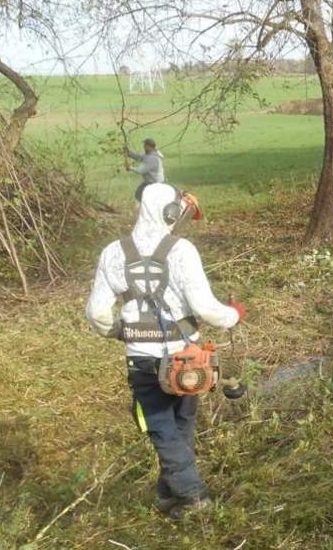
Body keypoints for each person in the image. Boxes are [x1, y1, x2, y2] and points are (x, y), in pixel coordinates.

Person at [85, 183, 245, 520]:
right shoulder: (182, 250)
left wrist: (119, 330)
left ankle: (170, 495)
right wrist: (233, 315)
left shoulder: (113, 253)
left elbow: (96, 313)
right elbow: (205, 307)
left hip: (141, 359)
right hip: (187, 358)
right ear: (171, 212)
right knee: (177, 425)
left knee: (164, 426)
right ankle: (191, 495)